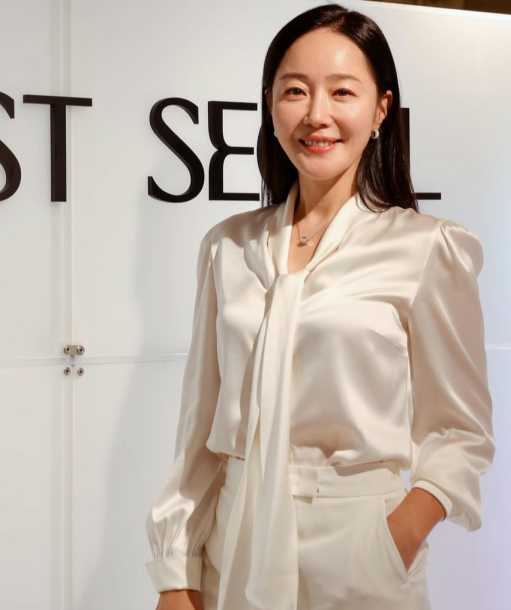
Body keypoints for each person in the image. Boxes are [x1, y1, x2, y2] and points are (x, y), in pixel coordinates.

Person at [145, 4, 496, 610]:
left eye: (342, 92)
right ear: (270, 104)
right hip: (234, 544)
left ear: (381, 109)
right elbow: (199, 433)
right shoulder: (228, 246)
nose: (316, 114)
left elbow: (459, 431)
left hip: (359, 554)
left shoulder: (426, 248)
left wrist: (396, 537)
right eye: (295, 91)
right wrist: (176, 573)